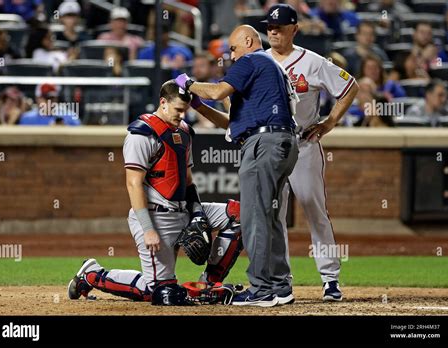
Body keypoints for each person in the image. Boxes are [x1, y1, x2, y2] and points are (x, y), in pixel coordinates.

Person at [67, 80, 243, 302]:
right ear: (163, 102)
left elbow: (188, 182)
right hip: (156, 216)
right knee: (162, 293)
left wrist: (198, 213)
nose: (181, 115)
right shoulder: (141, 133)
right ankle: (91, 275)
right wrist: (148, 229)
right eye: (178, 109)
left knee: (241, 215)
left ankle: (208, 283)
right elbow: (133, 183)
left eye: (185, 110)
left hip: (184, 210)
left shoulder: (185, 132)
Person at [176, 24, 299, 307]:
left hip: (263, 144)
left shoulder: (252, 59)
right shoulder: (269, 68)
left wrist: (188, 84)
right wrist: (198, 105)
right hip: (281, 141)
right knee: (269, 217)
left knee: (254, 217)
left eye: (232, 48)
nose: (231, 55)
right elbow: (231, 123)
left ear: (248, 40)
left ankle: (261, 289)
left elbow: (219, 91)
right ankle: (280, 286)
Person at [262, 4, 358, 301]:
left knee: (314, 209)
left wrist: (329, 122)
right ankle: (281, 279)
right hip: (269, 147)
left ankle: (330, 278)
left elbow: (349, 86)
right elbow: (233, 95)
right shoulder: (257, 62)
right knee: (272, 214)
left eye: (279, 26)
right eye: (270, 27)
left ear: (295, 29)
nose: (273, 31)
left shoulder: (313, 62)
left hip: (303, 144)